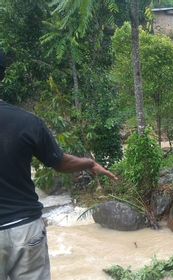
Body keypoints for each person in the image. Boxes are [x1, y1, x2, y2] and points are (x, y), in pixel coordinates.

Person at [0, 53, 118, 280]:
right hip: (24, 229)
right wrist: (90, 163)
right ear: (3, 76)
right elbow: (60, 162)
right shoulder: (27, 122)